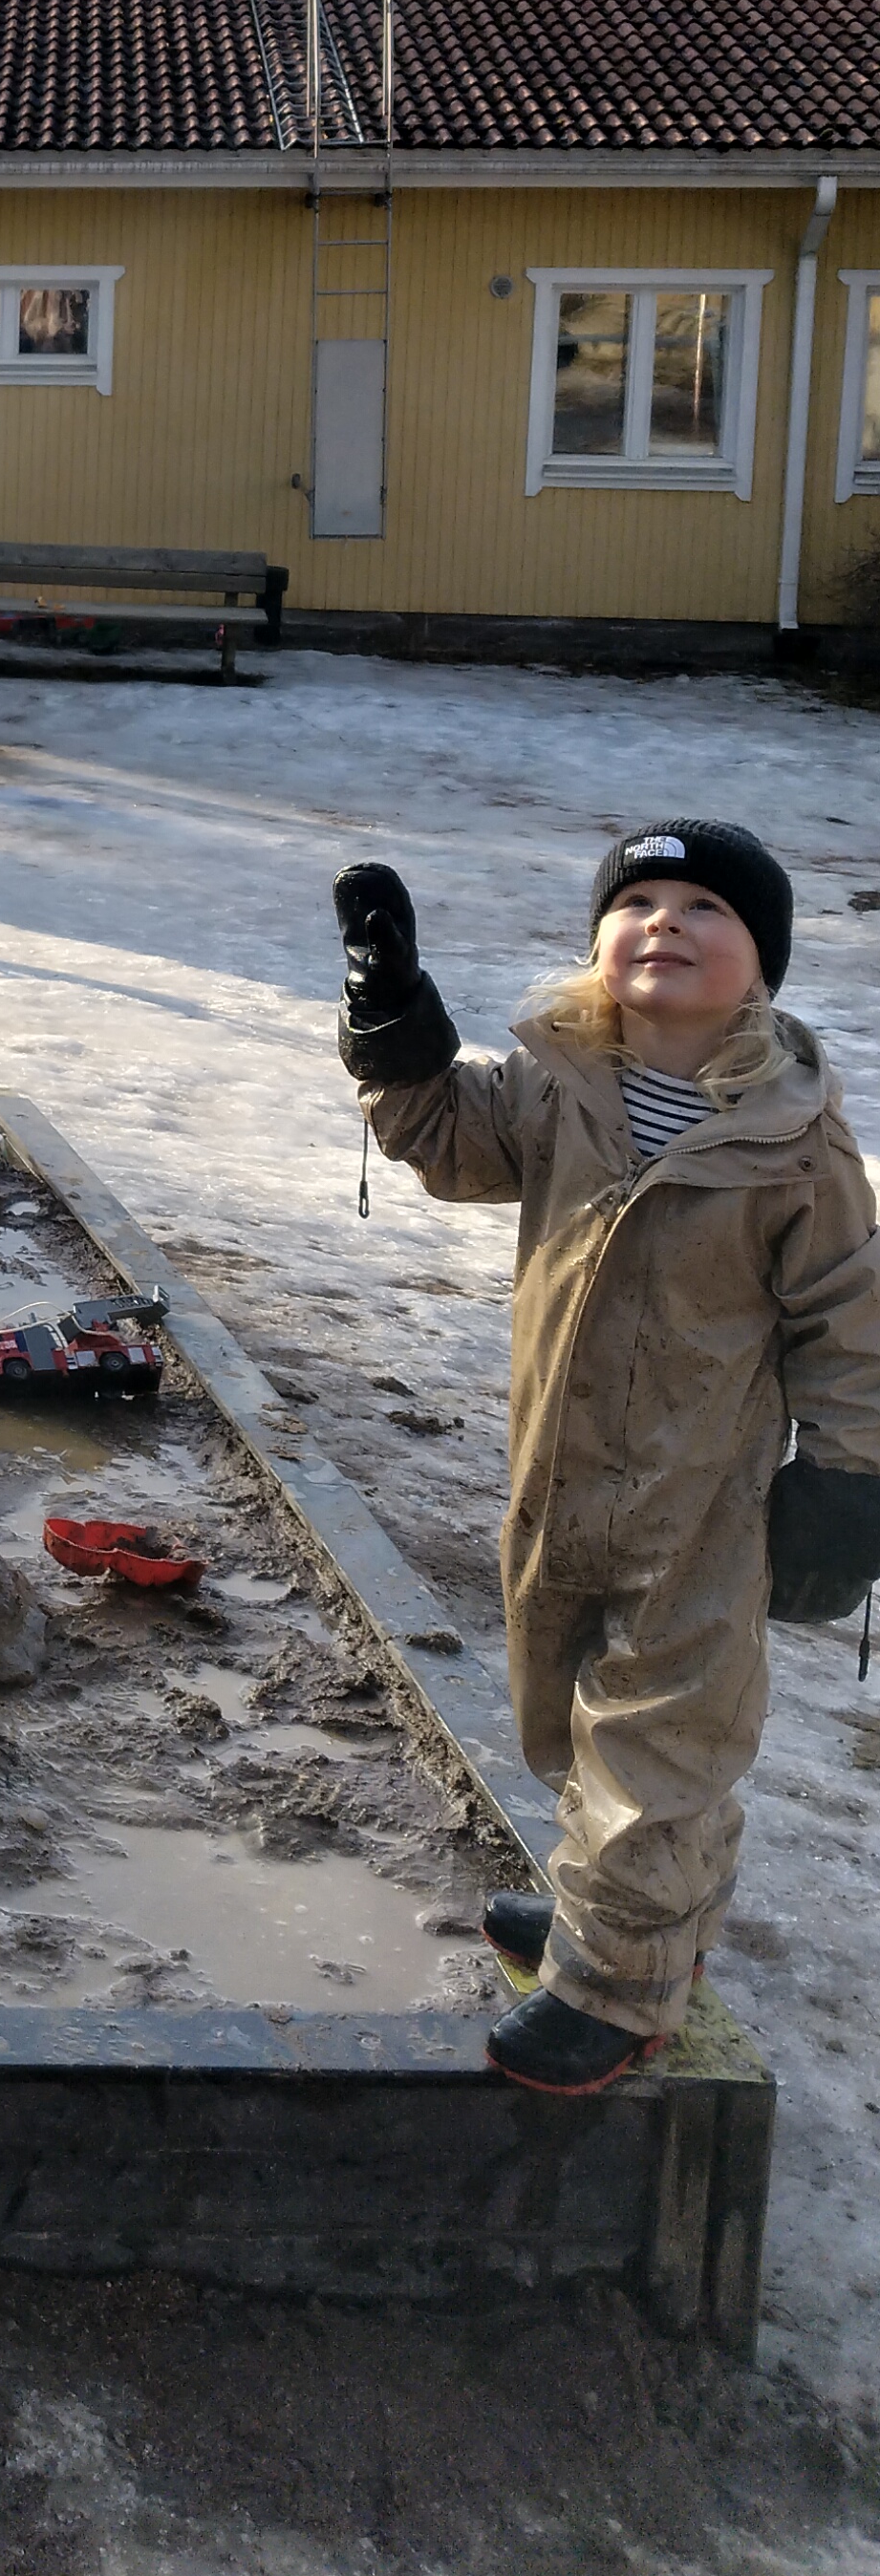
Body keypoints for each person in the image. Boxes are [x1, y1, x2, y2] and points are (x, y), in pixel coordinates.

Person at [336, 819, 880, 2092]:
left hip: (705, 1502)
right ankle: (629, 1913)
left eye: (706, 908)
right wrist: (394, 1016)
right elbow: (445, 1136)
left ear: (761, 965)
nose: (666, 923)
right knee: (566, 1708)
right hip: (562, 1474)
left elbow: (852, 1321)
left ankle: (618, 1987)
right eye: (638, 903)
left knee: (661, 1743)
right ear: (598, 945)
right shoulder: (557, 1087)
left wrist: (850, 1482)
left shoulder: (794, 1143)